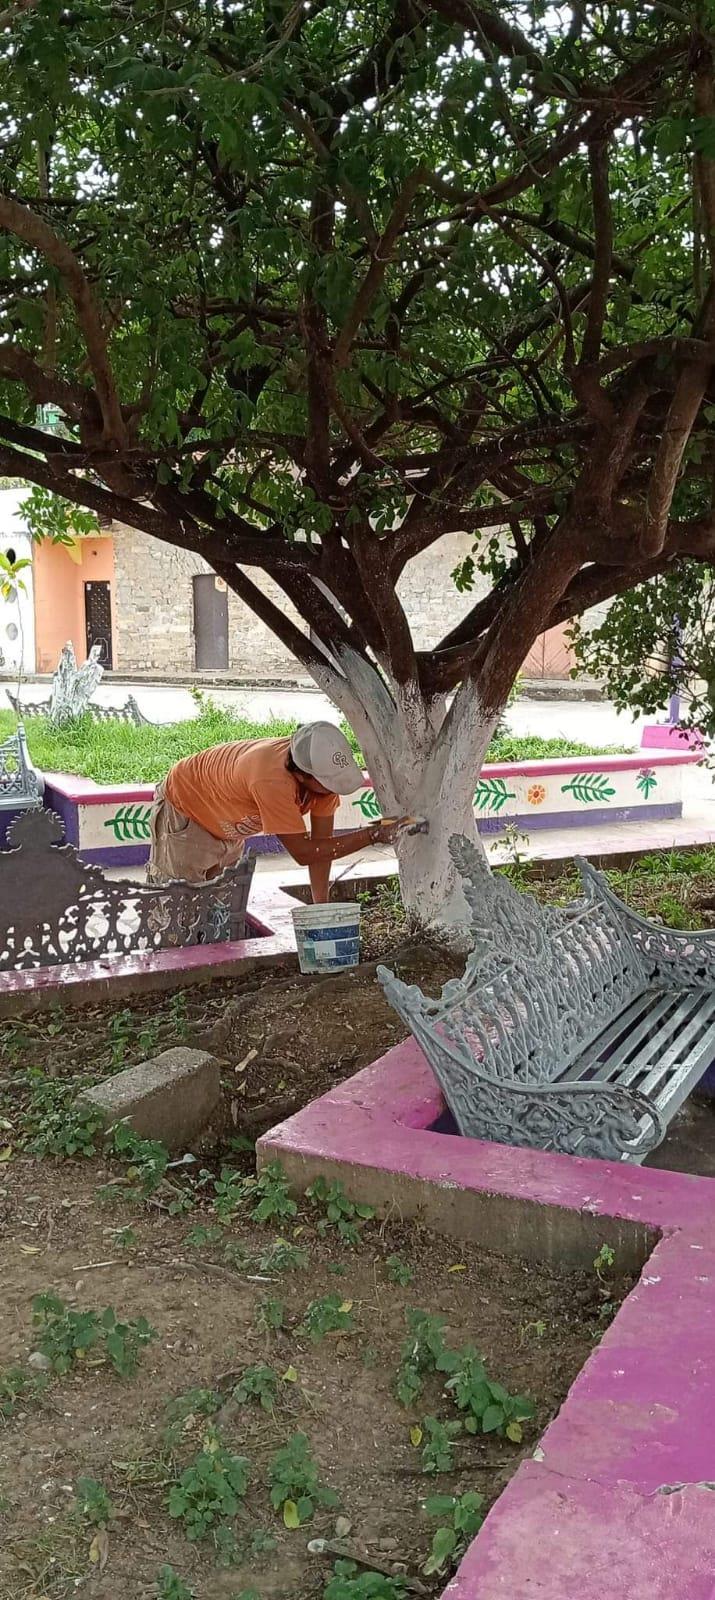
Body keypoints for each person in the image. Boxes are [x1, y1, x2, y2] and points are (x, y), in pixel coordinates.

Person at [147, 720, 409, 901]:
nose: (334, 790)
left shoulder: (323, 784)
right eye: (329, 784)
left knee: (219, 905)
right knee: (176, 905)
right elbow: (304, 853)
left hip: (227, 822)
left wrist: (321, 908)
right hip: (187, 809)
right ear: (303, 775)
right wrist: (371, 835)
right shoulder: (271, 779)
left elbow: (321, 849)